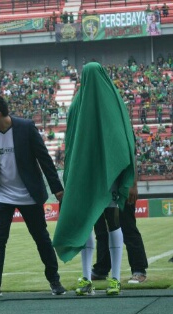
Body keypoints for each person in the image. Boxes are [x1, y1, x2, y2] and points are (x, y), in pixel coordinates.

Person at [53, 63, 135, 296]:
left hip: (92, 176)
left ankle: (105, 278)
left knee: (98, 222)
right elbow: (126, 140)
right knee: (102, 223)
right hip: (99, 175)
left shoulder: (87, 103)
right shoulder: (103, 101)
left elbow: (124, 139)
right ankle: (98, 278)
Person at [0, 94, 66, 299]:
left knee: (41, 238)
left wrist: (57, 188)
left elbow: (44, 158)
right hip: (0, 195)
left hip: (28, 193)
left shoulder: (25, 127)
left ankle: (54, 280)